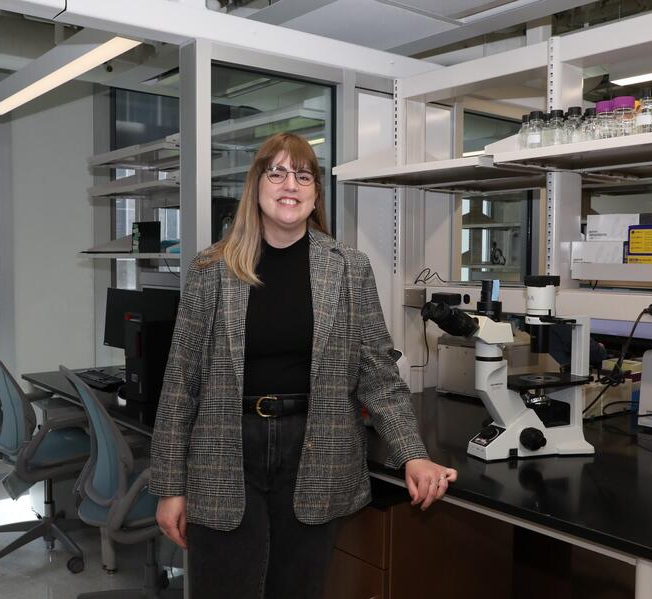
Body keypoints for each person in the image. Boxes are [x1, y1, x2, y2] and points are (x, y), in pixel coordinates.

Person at [150, 132, 457, 599]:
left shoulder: (349, 268)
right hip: (224, 451)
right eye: (276, 173)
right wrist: (170, 486)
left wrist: (412, 454)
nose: (289, 184)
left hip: (315, 452)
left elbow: (378, 374)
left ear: (315, 195)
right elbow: (180, 383)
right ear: (256, 186)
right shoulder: (211, 270)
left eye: (303, 175)